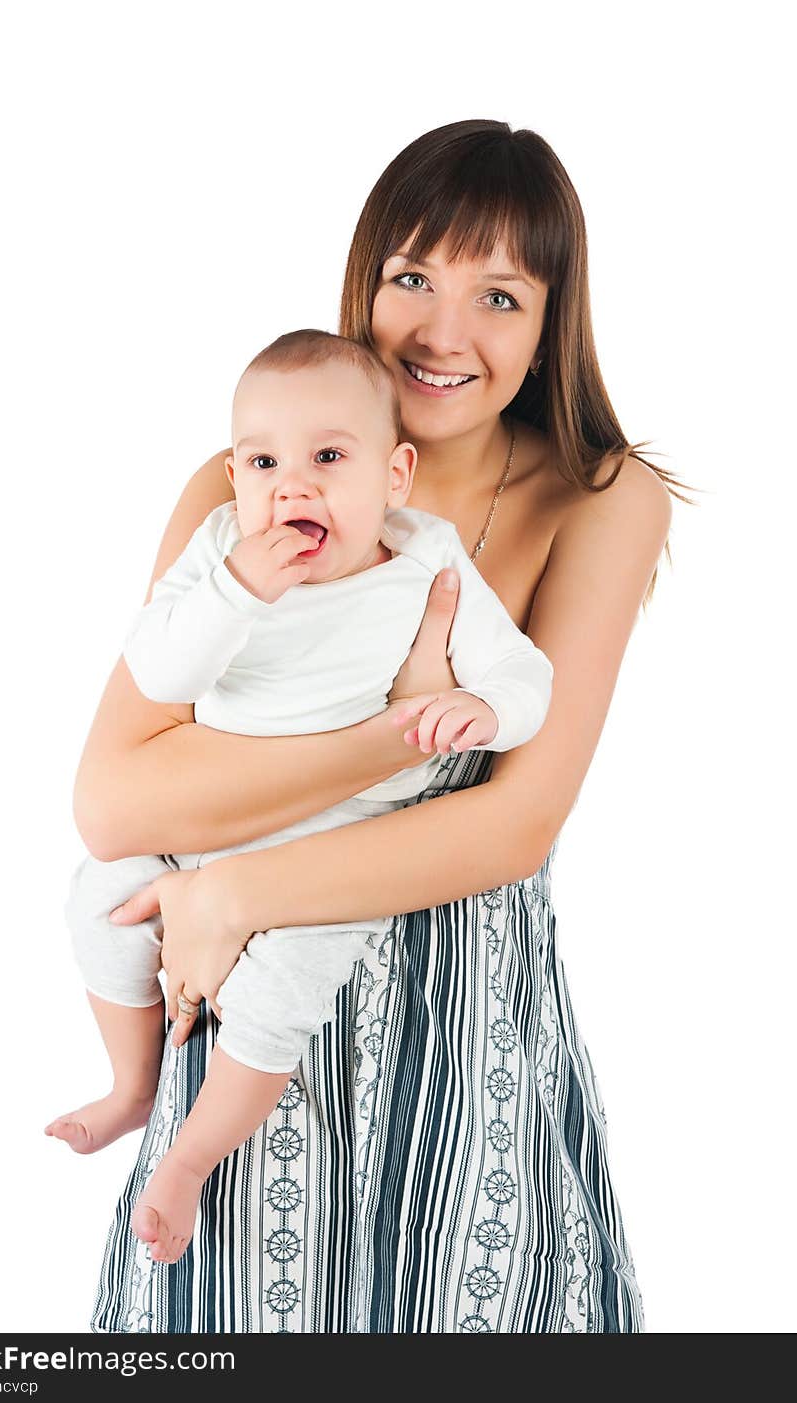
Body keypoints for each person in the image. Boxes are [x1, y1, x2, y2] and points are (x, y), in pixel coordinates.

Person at [79, 119, 683, 1334]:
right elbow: (115, 798)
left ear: (550, 321)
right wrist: (395, 734)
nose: (442, 332)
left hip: (463, 1030)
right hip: (245, 1025)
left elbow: (514, 825)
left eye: (498, 294)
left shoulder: (600, 497)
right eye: (412, 276)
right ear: (364, 281)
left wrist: (238, 886)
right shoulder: (249, 481)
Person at [46, 329, 554, 1268]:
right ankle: (128, 1084)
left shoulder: (425, 559)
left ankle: (191, 1159)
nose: (293, 487)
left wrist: (484, 706)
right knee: (98, 894)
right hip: (203, 820)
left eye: (329, 458)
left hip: (333, 849)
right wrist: (237, 592)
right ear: (234, 474)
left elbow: (528, 675)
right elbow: (159, 666)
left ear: (395, 474)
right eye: (264, 462)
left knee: (283, 990)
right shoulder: (220, 553)